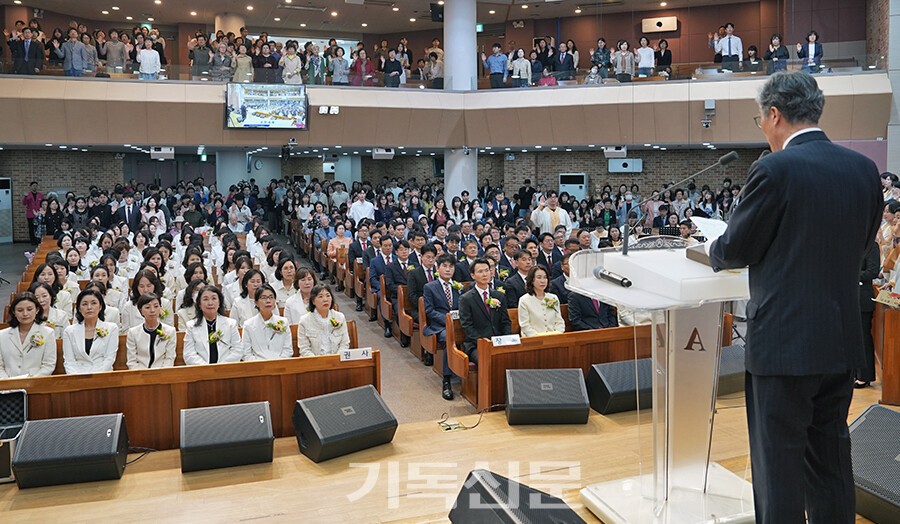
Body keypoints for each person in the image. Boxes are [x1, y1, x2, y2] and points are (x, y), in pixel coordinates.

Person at [707, 72, 882, 522]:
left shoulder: (774, 168)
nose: (762, 128)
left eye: (760, 119)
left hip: (783, 347)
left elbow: (735, 249)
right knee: (830, 462)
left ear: (774, 114)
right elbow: (863, 245)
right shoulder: (862, 169)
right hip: (840, 343)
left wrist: (709, 247)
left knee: (778, 468)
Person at [458, 258, 511, 364]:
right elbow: (467, 326)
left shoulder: (498, 295)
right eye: (480, 271)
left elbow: (505, 321)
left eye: (487, 270)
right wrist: (484, 342)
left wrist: (506, 339)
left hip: (498, 341)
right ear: (473, 275)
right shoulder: (466, 299)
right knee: (487, 360)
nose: (485, 274)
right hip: (476, 344)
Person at [62, 289, 120, 375]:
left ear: (100, 307)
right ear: (79, 308)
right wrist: (78, 379)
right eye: (84, 304)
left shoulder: (111, 328)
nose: (89, 307)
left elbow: (109, 359)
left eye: (93, 303)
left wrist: (94, 379)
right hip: (77, 376)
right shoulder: (69, 331)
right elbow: (69, 361)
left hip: (103, 375)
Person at [184, 285, 244, 365]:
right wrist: (207, 369)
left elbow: (237, 350)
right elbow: (189, 354)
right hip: (201, 372)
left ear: (219, 303)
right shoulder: (191, 326)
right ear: (199, 305)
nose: (210, 303)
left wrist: (220, 367)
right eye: (205, 299)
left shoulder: (231, 324)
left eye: (214, 298)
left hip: (226, 370)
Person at [0, 292, 56, 378]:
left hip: (36, 384)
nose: (25, 314)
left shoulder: (48, 333)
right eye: (20, 310)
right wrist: (8, 383)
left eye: (29, 309)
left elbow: (48, 365)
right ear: (14, 312)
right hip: (7, 385)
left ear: (37, 310)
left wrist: (30, 381)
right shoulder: (2, 335)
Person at [126, 293, 177, 369]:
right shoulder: (133, 333)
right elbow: (131, 361)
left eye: (156, 306)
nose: (152, 310)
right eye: (147, 307)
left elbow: (169, 358)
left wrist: (160, 374)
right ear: (141, 310)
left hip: (162, 373)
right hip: (140, 374)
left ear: (160, 308)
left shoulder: (170, 331)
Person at [242, 284, 293, 361]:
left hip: (281, 365)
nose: (268, 301)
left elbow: (288, 350)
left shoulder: (283, 322)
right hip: (258, 368)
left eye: (271, 297)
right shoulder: (248, 325)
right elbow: (246, 354)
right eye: (264, 298)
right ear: (256, 303)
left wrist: (278, 363)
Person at [296, 285, 350, 357]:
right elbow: (304, 349)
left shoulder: (339, 317)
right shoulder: (304, 321)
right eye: (320, 296)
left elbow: (345, 343)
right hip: (314, 363)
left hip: (337, 361)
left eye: (328, 296)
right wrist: (319, 362)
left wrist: (336, 359)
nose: (325, 299)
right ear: (313, 301)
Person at [856, 241, 881, 388]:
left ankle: (865, 376)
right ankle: (854, 373)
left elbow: (872, 271)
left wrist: (851, 274)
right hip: (850, 299)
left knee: (864, 337)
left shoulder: (872, 245)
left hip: (863, 298)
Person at [517, 266, 565, 337]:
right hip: (533, 340)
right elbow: (525, 326)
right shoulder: (524, 300)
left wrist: (557, 334)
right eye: (539, 277)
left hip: (553, 338)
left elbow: (559, 321)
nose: (543, 281)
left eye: (545, 277)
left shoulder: (553, 298)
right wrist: (538, 337)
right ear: (532, 280)